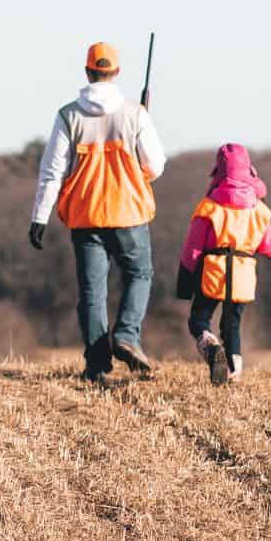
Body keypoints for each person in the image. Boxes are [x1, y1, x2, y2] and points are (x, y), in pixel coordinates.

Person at [28, 42, 167, 381]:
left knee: (92, 292)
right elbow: (157, 165)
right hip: (128, 213)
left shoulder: (68, 115)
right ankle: (127, 336)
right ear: (116, 73)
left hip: (85, 215)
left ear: (88, 71)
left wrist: (39, 217)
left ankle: (97, 364)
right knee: (139, 274)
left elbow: (52, 171)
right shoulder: (135, 113)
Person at [176, 143, 271, 385]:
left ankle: (211, 348)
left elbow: (192, 250)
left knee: (199, 320)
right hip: (243, 275)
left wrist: (185, 282)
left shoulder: (209, 207)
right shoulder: (260, 210)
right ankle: (233, 371)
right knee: (232, 324)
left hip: (212, 273)